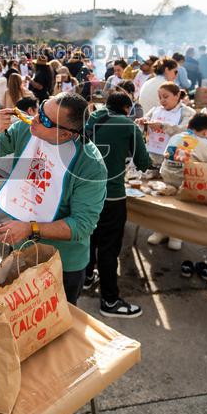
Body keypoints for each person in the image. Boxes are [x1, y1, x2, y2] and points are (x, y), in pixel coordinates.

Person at [0, 92, 107, 305]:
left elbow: (82, 225)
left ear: (65, 134)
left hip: (62, 264)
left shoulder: (90, 165)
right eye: (41, 108)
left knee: (56, 322)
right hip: (22, 251)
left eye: (46, 120)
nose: (36, 118)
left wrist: (30, 228)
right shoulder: (27, 129)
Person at [81, 92, 149, 318]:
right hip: (112, 195)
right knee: (109, 248)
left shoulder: (93, 117)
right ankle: (110, 301)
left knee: (90, 238)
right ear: (127, 108)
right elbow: (143, 162)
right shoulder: (127, 125)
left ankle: (86, 276)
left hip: (86, 192)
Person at [137, 82, 195, 169]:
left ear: (177, 95)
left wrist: (162, 126)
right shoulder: (155, 110)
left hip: (174, 160)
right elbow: (144, 123)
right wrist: (142, 122)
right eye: (160, 98)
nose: (162, 100)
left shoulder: (188, 112)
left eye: (165, 97)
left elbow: (185, 131)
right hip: (152, 156)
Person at [159, 112, 207, 188]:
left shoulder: (175, 137)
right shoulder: (202, 142)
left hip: (166, 176)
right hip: (185, 181)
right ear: (206, 131)